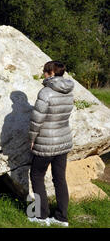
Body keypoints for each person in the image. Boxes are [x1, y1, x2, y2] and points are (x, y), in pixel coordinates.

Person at [27, 61, 74, 227]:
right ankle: (62, 218)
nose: (43, 74)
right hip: (63, 140)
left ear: (51, 73)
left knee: (37, 175)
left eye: (45, 71)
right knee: (59, 178)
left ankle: (41, 216)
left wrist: (31, 138)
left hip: (46, 142)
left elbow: (36, 120)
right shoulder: (69, 91)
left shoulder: (46, 92)